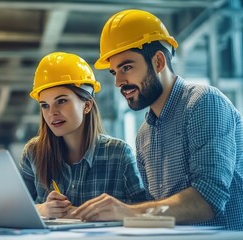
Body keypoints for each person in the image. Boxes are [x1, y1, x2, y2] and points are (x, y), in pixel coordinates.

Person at [71, 9, 243, 231]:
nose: (118, 82)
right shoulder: (144, 134)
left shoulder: (204, 102)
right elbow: (160, 209)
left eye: (126, 67)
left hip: (239, 235)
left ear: (158, 62)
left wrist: (128, 212)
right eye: (114, 72)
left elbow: (208, 199)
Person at [20, 52, 148, 219]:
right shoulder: (33, 153)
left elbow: (143, 214)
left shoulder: (118, 154)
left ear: (87, 105)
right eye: (45, 105)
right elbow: (14, 210)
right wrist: (42, 210)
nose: (52, 113)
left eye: (61, 101)